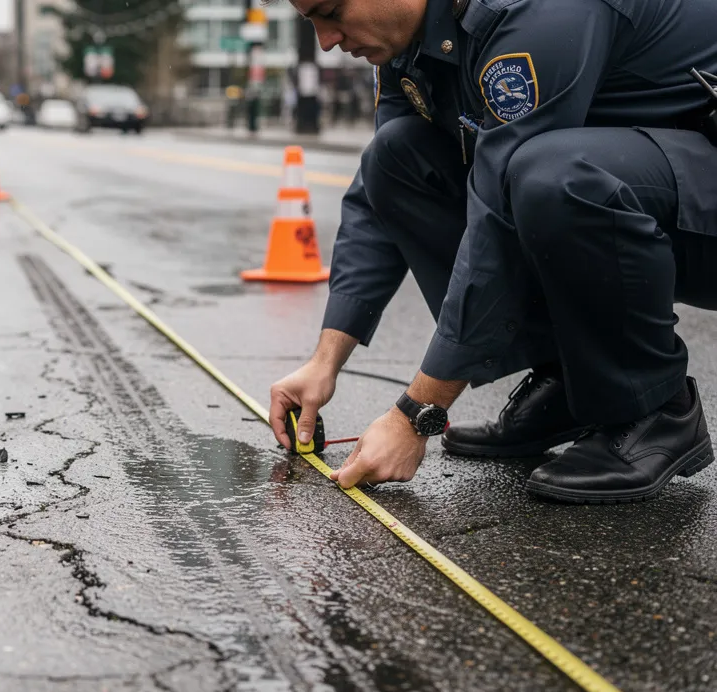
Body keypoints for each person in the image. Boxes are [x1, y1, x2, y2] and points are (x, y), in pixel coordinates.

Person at [270, 0, 717, 503]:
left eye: (331, 12)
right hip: (652, 189)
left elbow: (496, 220)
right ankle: (572, 384)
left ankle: (654, 406)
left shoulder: (536, 11)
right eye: (312, 23)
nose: (327, 40)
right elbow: (375, 200)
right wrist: (325, 361)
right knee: (395, 156)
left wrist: (417, 415)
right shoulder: (405, 44)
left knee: (548, 175)